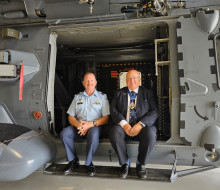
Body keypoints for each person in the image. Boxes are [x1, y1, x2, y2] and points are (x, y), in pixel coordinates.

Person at [110, 69, 158, 179]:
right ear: (126, 81)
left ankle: (140, 164)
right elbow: (113, 110)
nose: (132, 81)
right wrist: (124, 124)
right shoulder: (118, 93)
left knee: (151, 133)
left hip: (141, 128)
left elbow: (154, 111)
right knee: (114, 132)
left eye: (135, 78)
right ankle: (124, 163)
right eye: (130, 79)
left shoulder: (148, 93)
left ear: (139, 80)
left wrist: (140, 124)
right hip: (124, 128)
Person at [61, 72, 110, 176]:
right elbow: (70, 116)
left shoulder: (102, 97)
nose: (89, 83)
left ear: (96, 82)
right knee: (65, 133)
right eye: (87, 81)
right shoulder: (77, 97)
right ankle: (73, 161)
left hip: (95, 126)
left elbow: (106, 118)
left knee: (94, 134)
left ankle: (88, 163)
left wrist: (90, 124)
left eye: (92, 80)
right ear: (83, 83)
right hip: (79, 126)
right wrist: (78, 125)